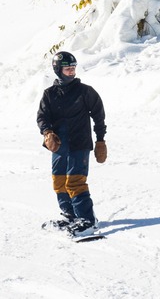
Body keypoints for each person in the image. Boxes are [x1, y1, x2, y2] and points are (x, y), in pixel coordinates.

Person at [37, 51, 107, 237]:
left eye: (73, 68)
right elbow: (42, 117)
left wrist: (100, 140)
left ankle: (88, 221)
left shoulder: (85, 91)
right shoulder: (50, 94)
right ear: (58, 70)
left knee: (75, 182)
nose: (72, 72)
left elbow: (99, 115)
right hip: (59, 146)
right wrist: (47, 133)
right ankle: (70, 216)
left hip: (79, 143)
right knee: (59, 181)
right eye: (68, 69)